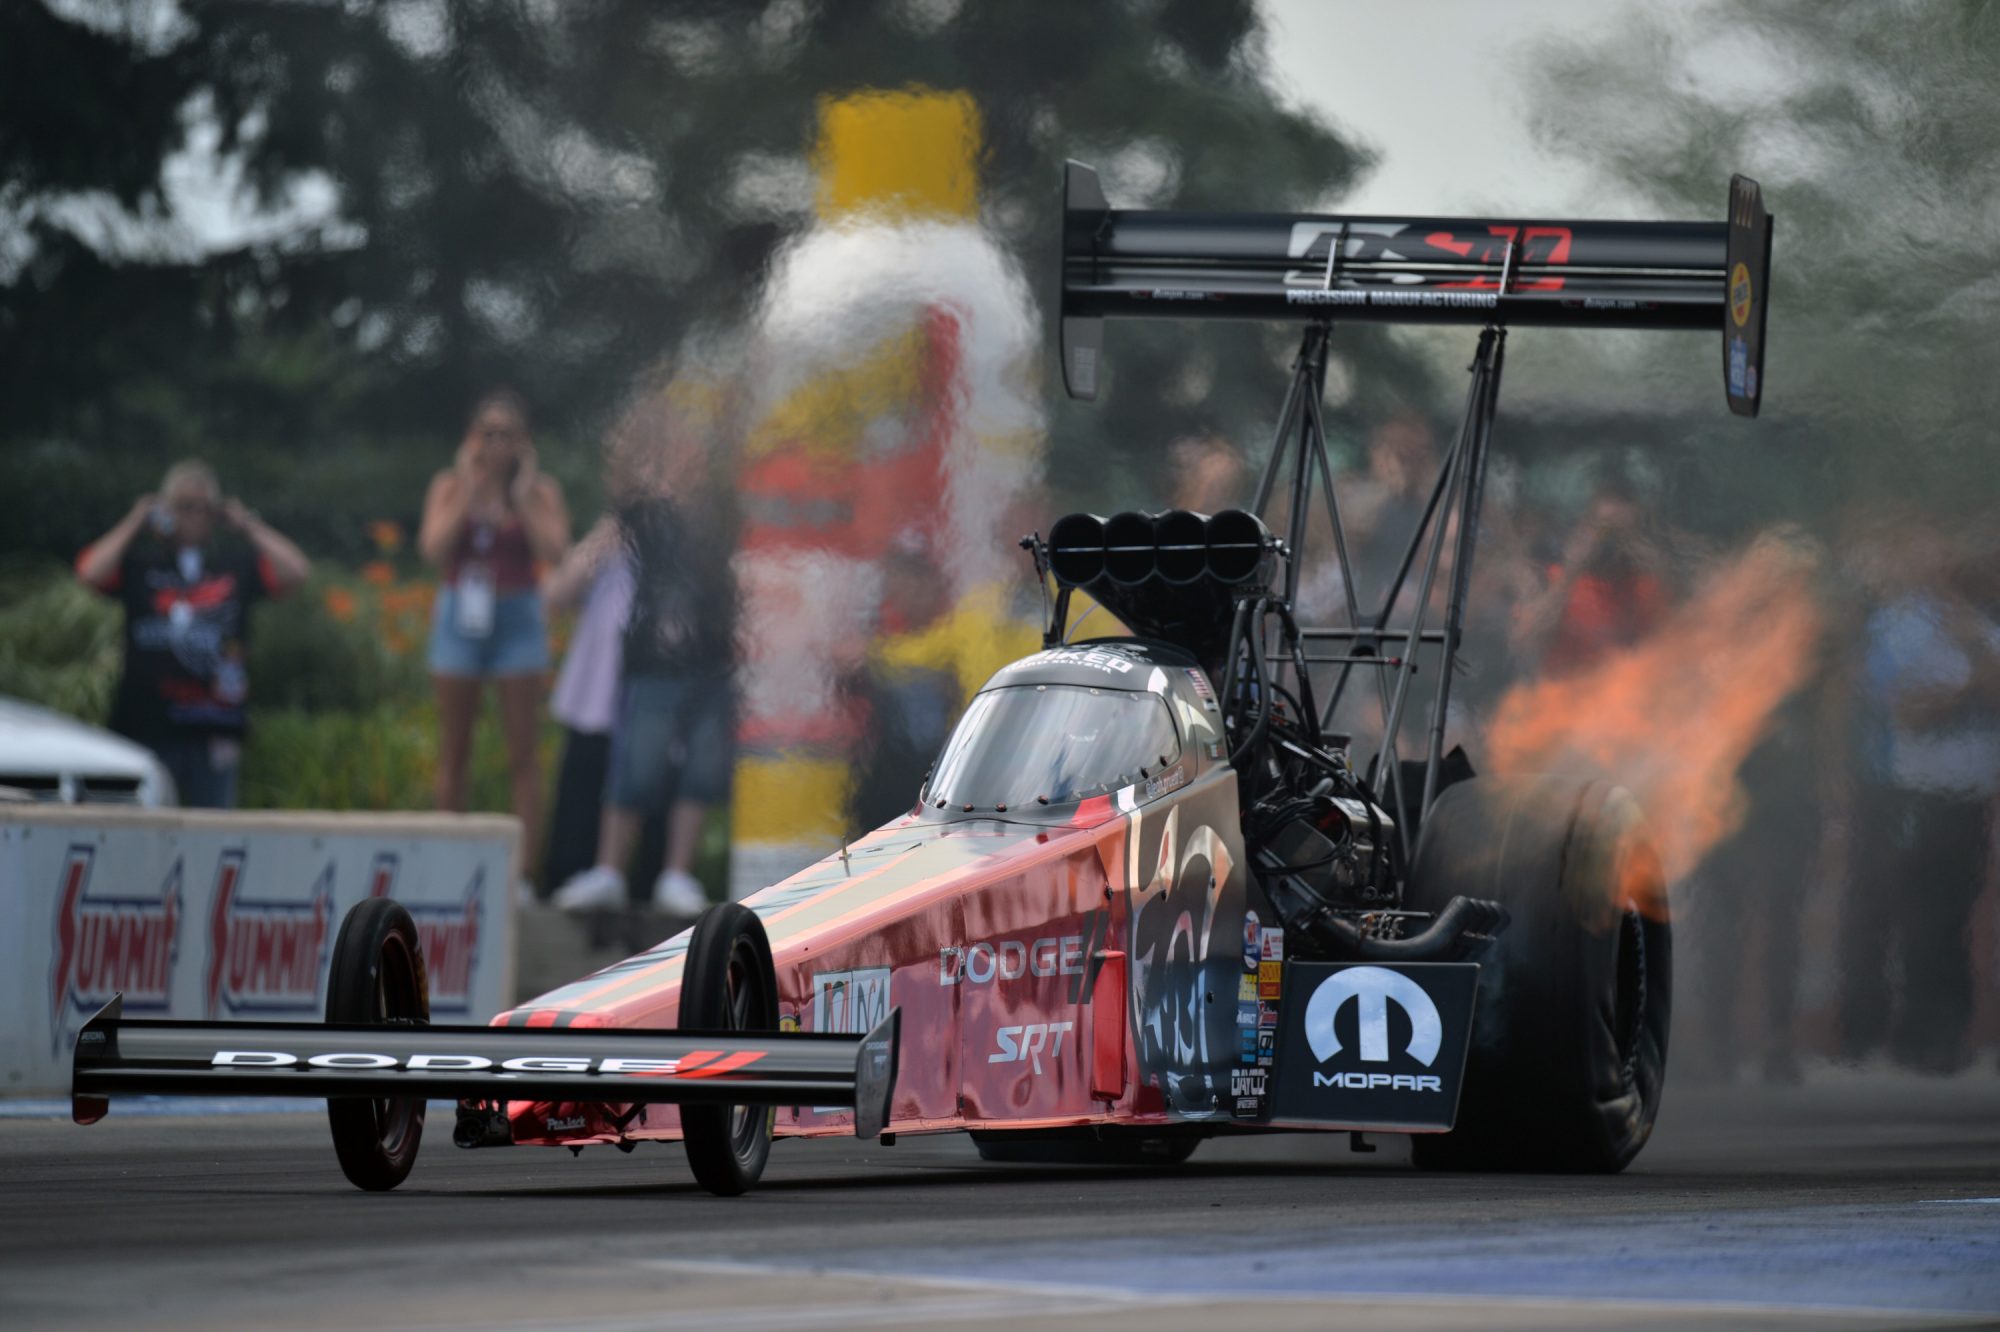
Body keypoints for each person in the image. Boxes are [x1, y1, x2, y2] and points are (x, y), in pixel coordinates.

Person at [553, 398, 732, 914]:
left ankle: (676, 875)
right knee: (633, 767)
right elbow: (565, 585)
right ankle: (608, 870)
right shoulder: (634, 515)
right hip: (649, 664)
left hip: (706, 662)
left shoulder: (714, 516)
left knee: (698, 768)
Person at [75, 460, 311, 807]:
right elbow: (90, 573)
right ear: (166, 509)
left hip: (215, 728)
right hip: (148, 725)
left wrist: (246, 524)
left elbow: (297, 571)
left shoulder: (236, 564)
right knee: (146, 837)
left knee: (213, 840)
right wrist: (138, 519)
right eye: (185, 506)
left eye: (206, 508)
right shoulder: (142, 563)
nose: (196, 515)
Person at [419, 388, 570, 871]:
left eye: (508, 434)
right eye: (489, 433)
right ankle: (445, 865)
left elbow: (555, 553)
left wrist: (522, 496)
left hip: (518, 618)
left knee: (523, 752)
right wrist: (468, 486)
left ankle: (523, 876)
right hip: (460, 617)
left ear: (523, 441)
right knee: (454, 749)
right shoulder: (449, 484)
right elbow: (433, 549)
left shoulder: (540, 490)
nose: (498, 443)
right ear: (472, 438)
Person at [539, 515, 667, 899]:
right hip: (598, 688)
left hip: (655, 690)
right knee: (582, 784)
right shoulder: (610, 534)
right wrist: (605, 538)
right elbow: (557, 593)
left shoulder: (682, 538)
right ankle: (569, 875)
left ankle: (645, 885)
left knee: (652, 788)